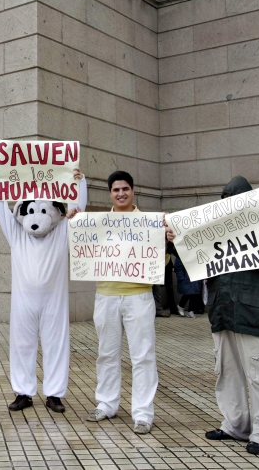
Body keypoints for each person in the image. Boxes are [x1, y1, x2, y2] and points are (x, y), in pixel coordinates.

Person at [167, 176, 259, 455]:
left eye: (236, 200)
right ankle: (235, 425)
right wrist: (175, 242)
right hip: (224, 310)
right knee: (227, 373)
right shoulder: (216, 229)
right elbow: (193, 258)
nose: (231, 205)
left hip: (255, 312)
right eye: (226, 201)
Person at [0, 166, 86, 414]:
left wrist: (79, 182)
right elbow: (0, 209)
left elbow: (78, 211)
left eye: (43, 210)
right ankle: (23, 392)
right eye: (30, 210)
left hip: (55, 302)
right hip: (23, 303)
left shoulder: (62, 231)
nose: (36, 216)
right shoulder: (17, 234)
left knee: (57, 344)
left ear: (55, 211)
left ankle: (54, 394)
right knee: (21, 344)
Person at [87, 171, 157, 435]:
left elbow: (158, 263)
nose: (121, 194)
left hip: (139, 295)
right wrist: (74, 221)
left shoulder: (149, 223)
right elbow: (84, 252)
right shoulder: (97, 224)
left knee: (143, 355)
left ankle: (142, 413)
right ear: (110, 193)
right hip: (106, 294)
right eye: (116, 190)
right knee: (106, 353)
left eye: (125, 189)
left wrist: (168, 243)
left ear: (133, 190)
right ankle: (106, 404)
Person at [174, 253, 202, 318]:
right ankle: (182, 306)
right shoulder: (181, 256)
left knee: (194, 293)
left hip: (194, 275)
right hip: (187, 276)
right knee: (188, 293)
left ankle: (189, 309)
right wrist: (181, 277)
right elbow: (178, 267)